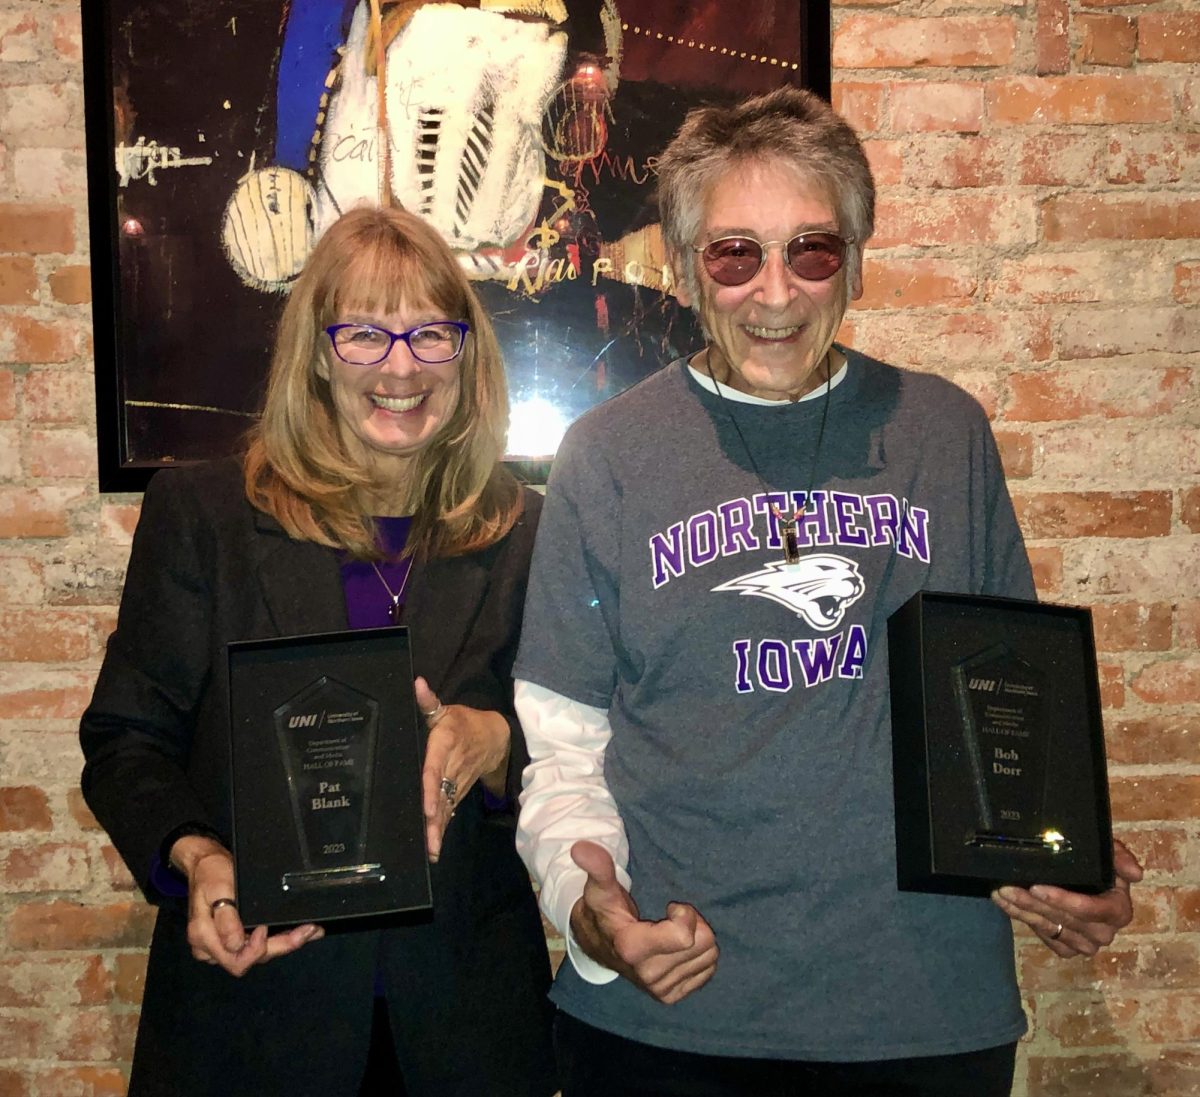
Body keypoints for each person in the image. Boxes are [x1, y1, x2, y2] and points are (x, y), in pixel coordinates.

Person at [513, 87, 1142, 1096]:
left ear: (852, 255)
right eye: (735, 254)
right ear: (683, 265)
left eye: (811, 250)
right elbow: (563, 746)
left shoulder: (943, 433)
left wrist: (1069, 854)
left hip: (922, 1007)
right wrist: (593, 914)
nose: (776, 294)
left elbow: (1009, 708)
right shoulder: (609, 456)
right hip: (673, 1013)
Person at [80, 206, 557, 1097]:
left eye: (429, 334)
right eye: (365, 334)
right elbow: (125, 742)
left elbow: (578, 750)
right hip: (253, 1009)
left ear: (467, 351)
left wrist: (498, 745)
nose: (402, 366)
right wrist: (196, 855)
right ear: (315, 353)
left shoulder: (528, 529)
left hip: (465, 1021)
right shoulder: (205, 517)